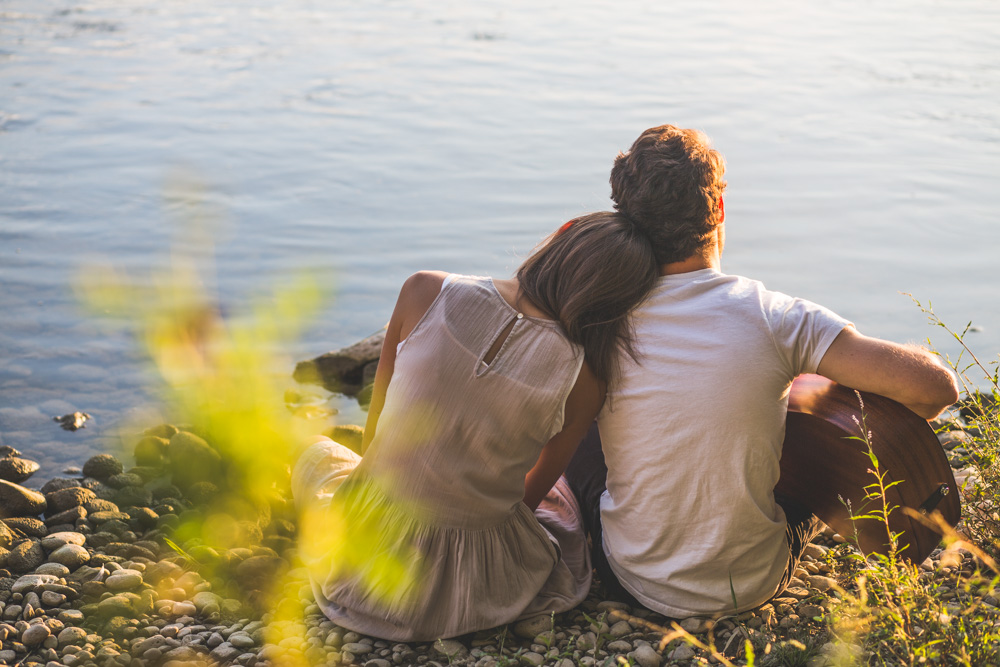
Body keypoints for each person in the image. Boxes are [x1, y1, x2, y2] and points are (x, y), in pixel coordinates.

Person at [564, 125, 960, 619]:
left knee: (578, 431)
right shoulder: (775, 317)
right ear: (720, 210)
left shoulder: (602, 317)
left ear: (625, 220)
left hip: (632, 581)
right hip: (755, 583)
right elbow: (936, 388)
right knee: (793, 410)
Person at [291, 212, 659, 641]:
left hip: (365, 563)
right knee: (561, 501)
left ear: (560, 235)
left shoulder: (423, 289)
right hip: (477, 585)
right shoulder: (585, 380)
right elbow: (527, 500)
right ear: (617, 304)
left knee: (317, 451)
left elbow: (374, 438)